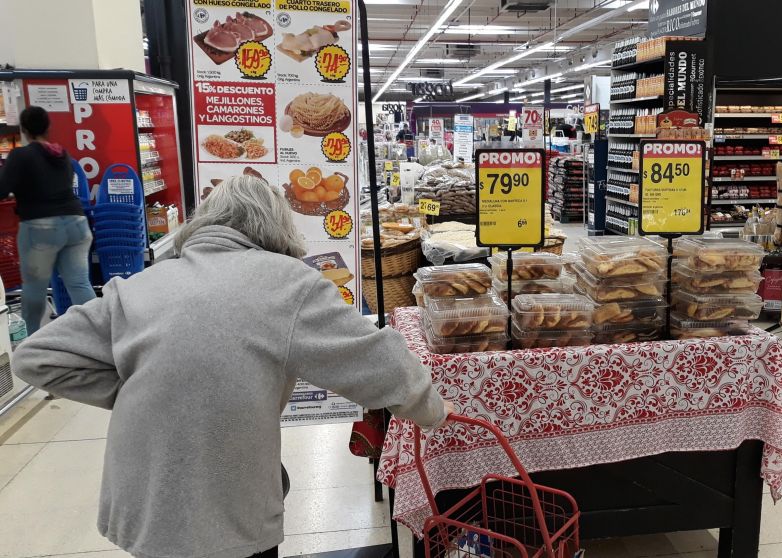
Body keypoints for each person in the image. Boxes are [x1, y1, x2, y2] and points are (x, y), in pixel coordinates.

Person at [12, 175, 454, 558]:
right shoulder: (287, 283)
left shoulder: (140, 286)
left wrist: (138, 385)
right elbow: (380, 363)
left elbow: (35, 357)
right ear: (276, 225)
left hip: (144, 501)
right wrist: (435, 411)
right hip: (229, 500)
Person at [0, 106, 96, 334]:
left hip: (41, 228)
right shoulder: (61, 154)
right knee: (79, 284)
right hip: (76, 225)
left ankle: (30, 344)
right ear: (48, 127)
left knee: (35, 291)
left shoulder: (21, 155)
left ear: (23, 129)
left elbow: (2, 189)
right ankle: (101, 333)